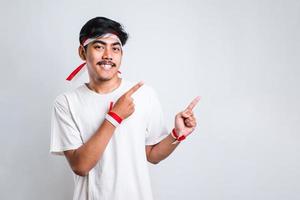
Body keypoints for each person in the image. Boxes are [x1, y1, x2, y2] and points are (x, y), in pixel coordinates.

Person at [50, 16, 200, 200]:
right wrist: (114, 118)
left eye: (115, 48)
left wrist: (177, 134)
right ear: (82, 52)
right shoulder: (66, 102)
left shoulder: (144, 94)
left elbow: (152, 155)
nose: (108, 55)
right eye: (99, 46)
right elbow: (81, 166)